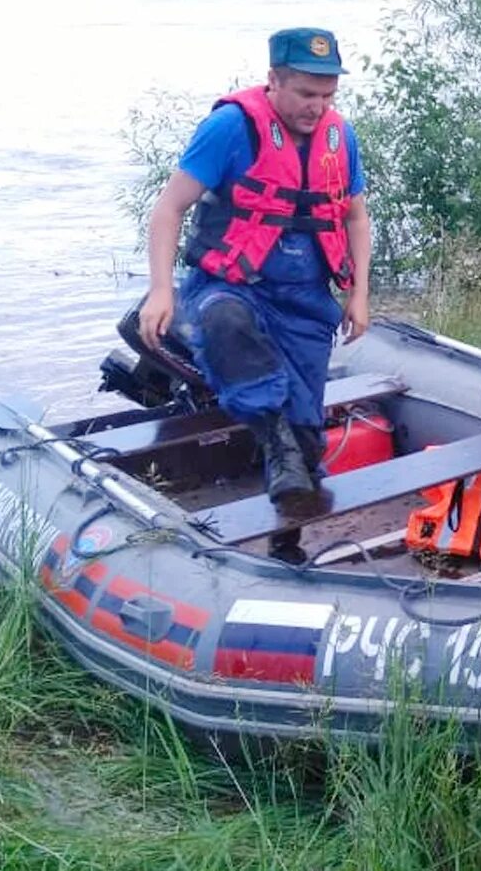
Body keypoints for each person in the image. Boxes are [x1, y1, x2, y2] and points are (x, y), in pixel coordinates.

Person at [135, 28, 372, 562]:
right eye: (306, 95)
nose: (318, 107)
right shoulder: (228, 128)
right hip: (231, 285)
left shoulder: (340, 138)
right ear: (273, 81)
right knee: (227, 325)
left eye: (328, 95)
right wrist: (159, 290)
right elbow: (168, 208)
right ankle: (272, 438)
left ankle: (284, 543)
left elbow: (355, 216)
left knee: (307, 445)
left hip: (305, 302)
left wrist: (359, 292)